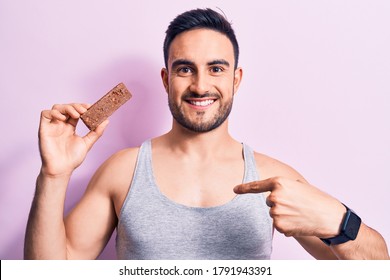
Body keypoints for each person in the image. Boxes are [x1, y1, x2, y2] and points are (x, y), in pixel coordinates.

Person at [24, 8, 389, 260]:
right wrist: (54, 175)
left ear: (236, 79)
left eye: (216, 68)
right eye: (185, 69)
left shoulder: (274, 179)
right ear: (166, 80)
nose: (201, 85)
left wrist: (337, 221)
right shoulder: (123, 171)